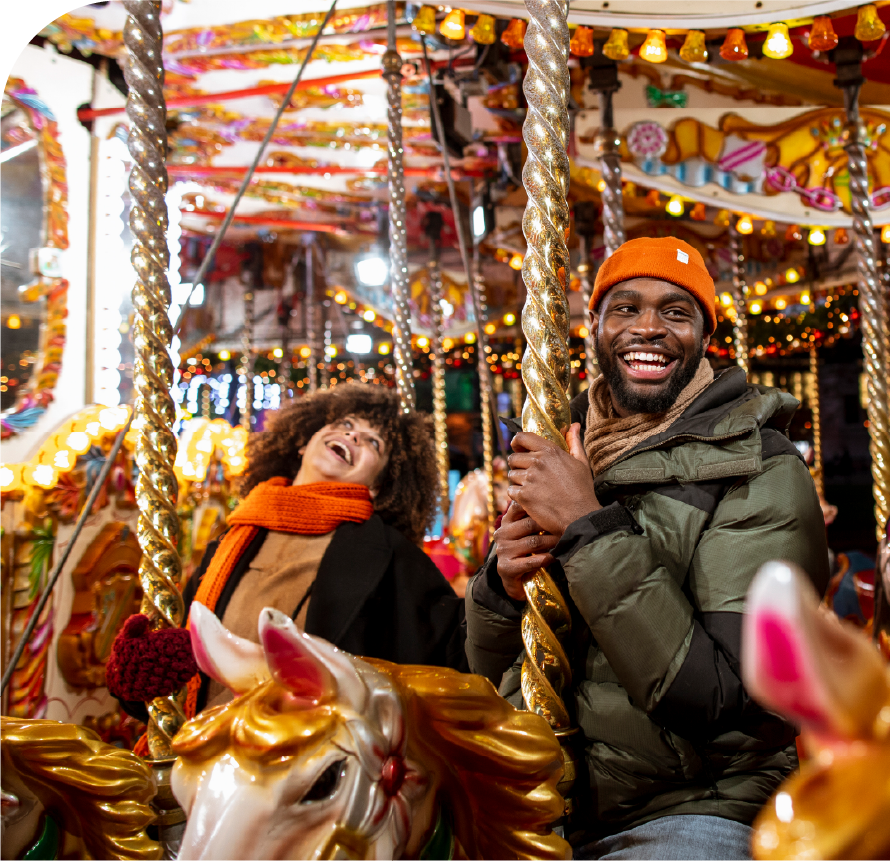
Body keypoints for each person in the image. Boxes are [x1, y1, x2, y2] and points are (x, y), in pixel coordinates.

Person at [466, 236, 829, 859]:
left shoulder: (759, 469)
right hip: (541, 800)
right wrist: (499, 590)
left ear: (705, 337)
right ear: (597, 329)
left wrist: (588, 527)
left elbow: (723, 698)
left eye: (676, 312)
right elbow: (490, 679)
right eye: (626, 308)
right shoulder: (567, 448)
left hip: (691, 806)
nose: (649, 328)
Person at [107, 381, 467, 716]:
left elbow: (447, 656)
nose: (353, 435)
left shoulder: (389, 555)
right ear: (301, 444)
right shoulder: (233, 540)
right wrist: (139, 673)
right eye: (344, 424)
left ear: (380, 487)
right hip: (213, 756)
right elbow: (175, 674)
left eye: (373, 443)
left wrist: (498, 592)